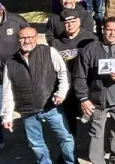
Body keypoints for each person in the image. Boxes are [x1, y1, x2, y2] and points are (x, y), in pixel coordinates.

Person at [1, 27, 75, 164]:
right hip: (27, 111)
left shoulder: (49, 52)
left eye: (30, 37)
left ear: (36, 38)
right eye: (23, 38)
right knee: (36, 144)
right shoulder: (11, 63)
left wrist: (61, 93)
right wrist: (7, 116)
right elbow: (7, 91)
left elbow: (63, 73)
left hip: (51, 107)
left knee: (66, 138)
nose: (26, 41)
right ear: (18, 40)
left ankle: (70, 162)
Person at [74, 18, 115, 164]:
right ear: (103, 30)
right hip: (97, 99)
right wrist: (83, 99)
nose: (112, 33)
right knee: (96, 132)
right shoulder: (90, 49)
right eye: (109, 29)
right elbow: (79, 76)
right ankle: (97, 160)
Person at [48, 9, 98, 138]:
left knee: (93, 119)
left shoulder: (91, 39)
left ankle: (95, 146)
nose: (70, 25)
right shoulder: (56, 43)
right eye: (67, 23)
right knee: (69, 120)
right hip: (68, 87)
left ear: (79, 22)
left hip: (88, 86)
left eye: (73, 21)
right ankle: (72, 146)